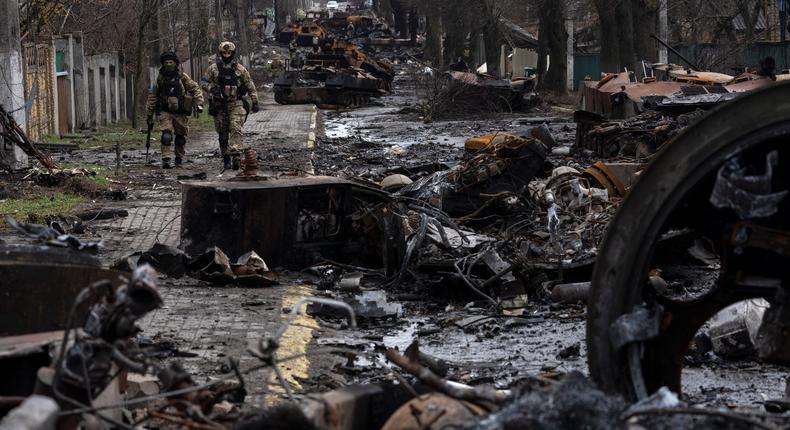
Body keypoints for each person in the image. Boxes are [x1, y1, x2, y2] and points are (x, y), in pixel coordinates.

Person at [205, 42, 259, 170]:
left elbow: (249, 84)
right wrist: (212, 89)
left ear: (233, 54)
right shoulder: (213, 68)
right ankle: (226, 159)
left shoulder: (240, 69)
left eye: (229, 53)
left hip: (236, 103)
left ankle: (236, 155)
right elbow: (203, 82)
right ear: (221, 54)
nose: (226, 55)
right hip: (220, 105)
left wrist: (255, 100)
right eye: (224, 53)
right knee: (222, 133)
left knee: (236, 127)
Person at [146, 51, 204, 168]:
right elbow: (152, 95)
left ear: (175, 63)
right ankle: (166, 159)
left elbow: (195, 88)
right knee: (166, 135)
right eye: (166, 62)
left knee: (180, 137)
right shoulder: (160, 78)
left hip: (180, 112)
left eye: (170, 62)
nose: (168, 64)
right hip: (164, 111)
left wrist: (199, 102)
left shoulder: (182, 77)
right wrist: (149, 112)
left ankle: (179, 158)